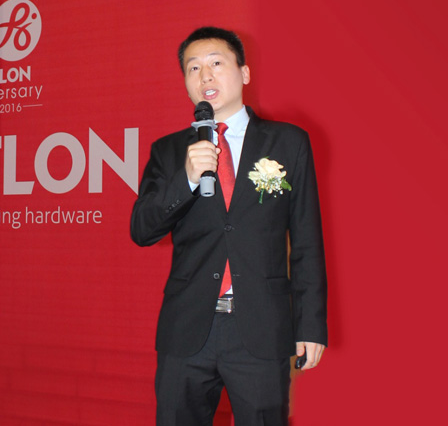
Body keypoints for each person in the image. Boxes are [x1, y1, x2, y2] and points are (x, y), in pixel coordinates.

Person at [130, 26, 327, 426]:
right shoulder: (168, 151)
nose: (205, 76)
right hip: (187, 329)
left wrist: (310, 325)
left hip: (261, 329)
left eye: (216, 63)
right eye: (193, 68)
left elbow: (307, 240)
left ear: (244, 72)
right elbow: (142, 229)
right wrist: (186, 178)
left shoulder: (288, 143)